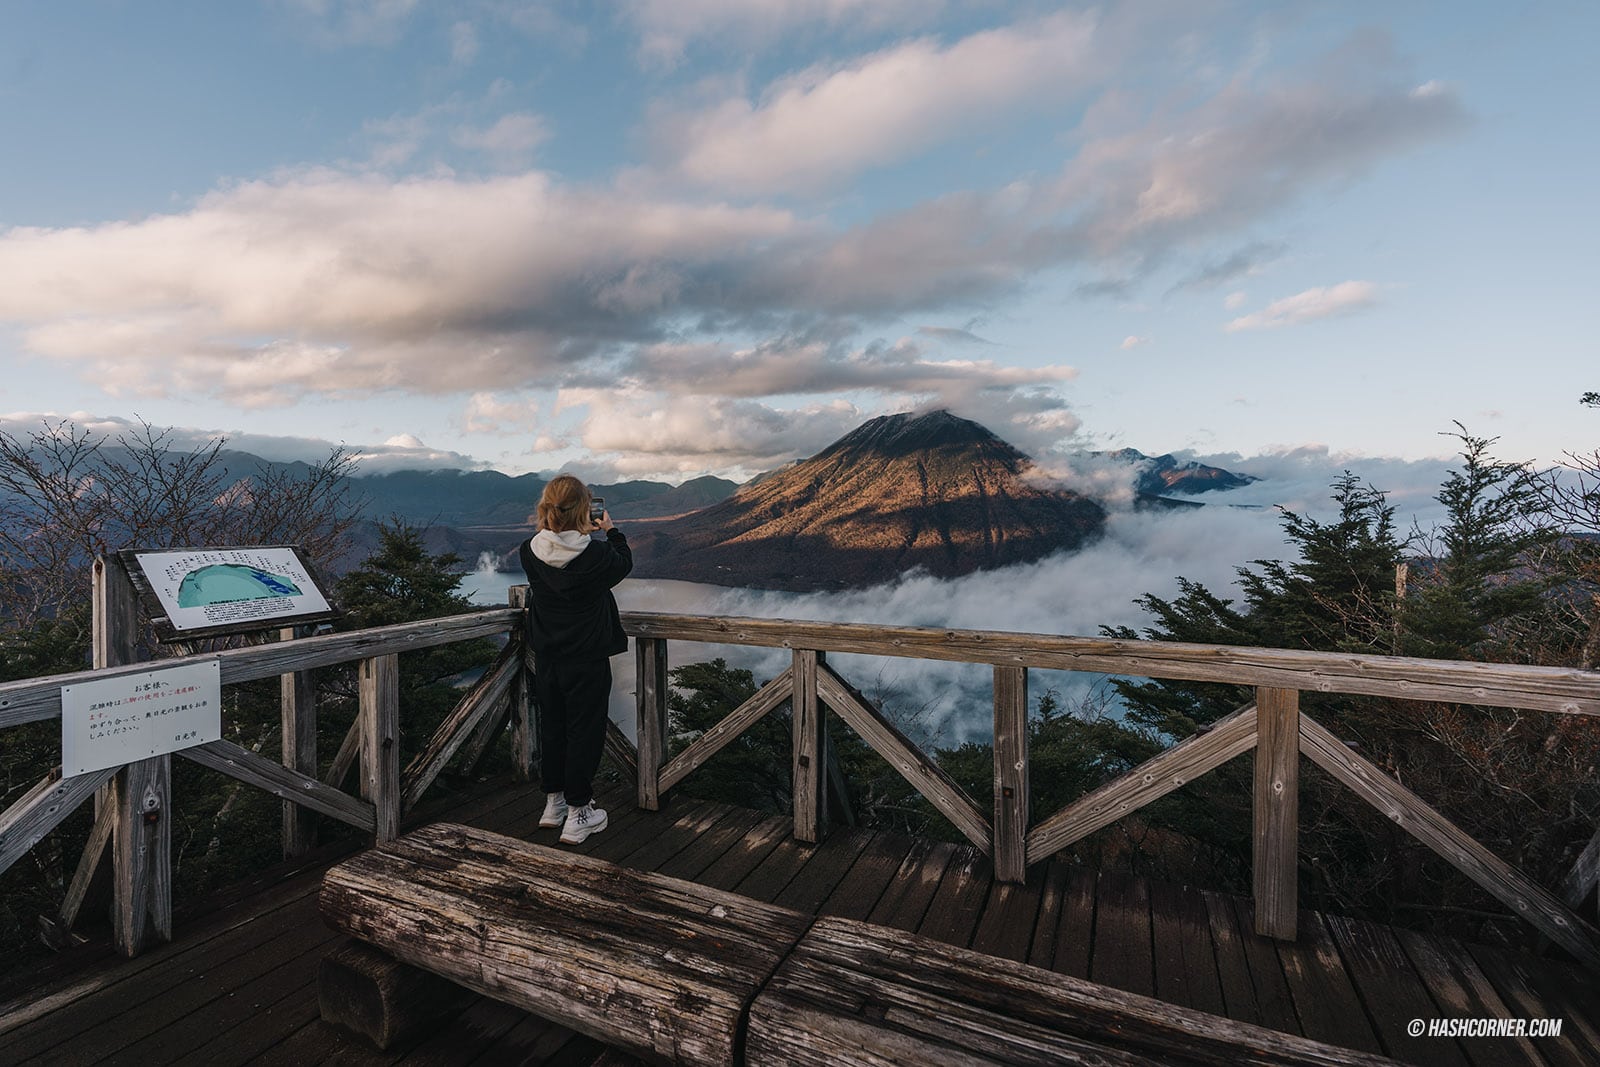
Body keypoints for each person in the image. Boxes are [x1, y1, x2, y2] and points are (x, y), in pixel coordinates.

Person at [520, 474, 632, 844]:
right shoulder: (598, 556)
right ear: (586, 510)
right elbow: (623, 563)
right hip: (587, 657)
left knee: (553, 726)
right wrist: (611, 532)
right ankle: (581, 811)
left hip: (547, 656)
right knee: (584, 732)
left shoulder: (528, 551)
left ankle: (554, 804)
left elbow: (556, 551)